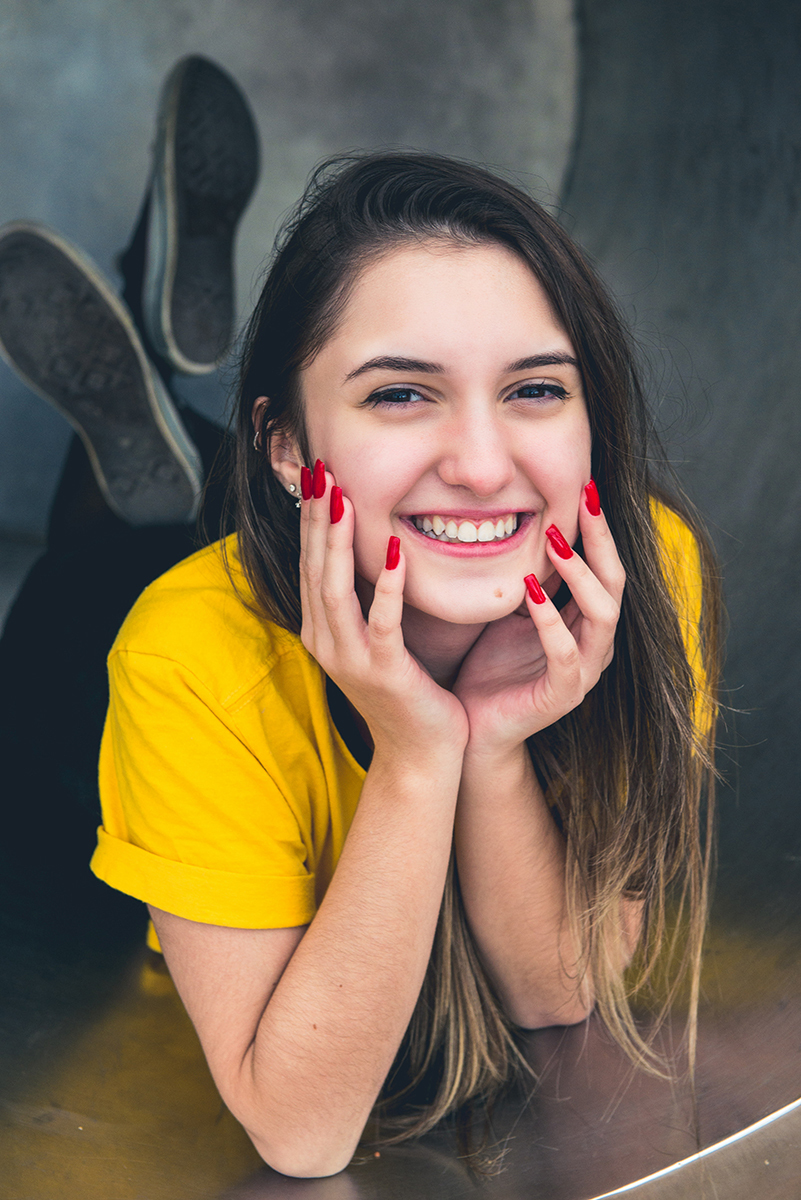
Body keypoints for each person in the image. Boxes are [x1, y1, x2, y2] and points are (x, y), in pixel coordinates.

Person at [88, 152, 720, 1178]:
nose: (481, 463)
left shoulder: (648, 573)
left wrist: (488, 743)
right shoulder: (185, 656)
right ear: (287, 443)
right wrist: (414, 752)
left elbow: (559, 993)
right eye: (400, 395)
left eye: (535, 388)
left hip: (344, 518)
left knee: (317, 503)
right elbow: (302, 1132)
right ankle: (147, 365)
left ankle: (169, 370)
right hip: (76, 677)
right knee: (113, 545)